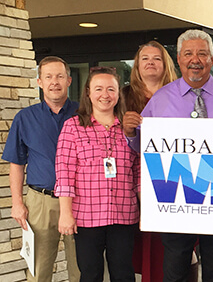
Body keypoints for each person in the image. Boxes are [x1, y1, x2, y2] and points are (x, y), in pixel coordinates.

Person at [125, 29, 213, 282]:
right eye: (188, 53)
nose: (196, 59)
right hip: (177, 195)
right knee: (175, 266)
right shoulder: (160, 100)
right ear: (179, 59)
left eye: (202, 53)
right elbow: (142, 148)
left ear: (212, 59)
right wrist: (130, 133)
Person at [55, 66, 140, 281]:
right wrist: (66, 214)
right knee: (90, 273)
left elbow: (138, 173)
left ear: (118, 94)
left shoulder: (130, 129)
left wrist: (147, 210)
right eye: (99, 89)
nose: (105, 95)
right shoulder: (73, 127)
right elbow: (64, 173)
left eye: (111, 89)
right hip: (87, 217)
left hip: (123, 215)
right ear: (88, 93)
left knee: (124, 273)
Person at [2, 56, 80, 282]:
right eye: (48, 77)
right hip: (40, 202)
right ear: (39, 82)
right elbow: (16, 164)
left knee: (83, 268)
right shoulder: (25, 118)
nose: (54, 82)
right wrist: (17, 203)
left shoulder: (84, 114)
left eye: (59, 76)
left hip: (80, 201)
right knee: (38, 270)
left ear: (69, 80)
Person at [121, 41, 178, 282]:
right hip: (133, 178)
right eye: (145, 58)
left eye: (157, 58)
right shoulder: (123, 95)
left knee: (175, 247)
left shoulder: (179, 93)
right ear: (137, 65)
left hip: (174, 177)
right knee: (141, 245)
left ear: (165, 64)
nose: (151, 63)